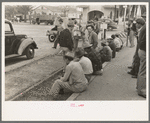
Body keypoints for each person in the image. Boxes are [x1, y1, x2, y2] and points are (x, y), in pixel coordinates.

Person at [135, 17, 146, 98]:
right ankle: (141, 90)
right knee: (143, 71)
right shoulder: (145, 28)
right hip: (144, 51)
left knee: (141, 69)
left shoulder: (143, 28)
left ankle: (139, 87)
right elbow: (143, 41)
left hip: (142, 50)